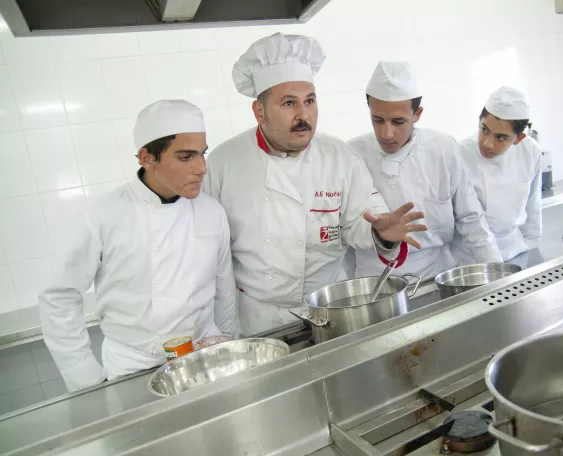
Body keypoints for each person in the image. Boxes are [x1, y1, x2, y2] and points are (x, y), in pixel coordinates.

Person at [204, 33, 427, 336]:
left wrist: (381, 232)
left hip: (333, 310)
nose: (303, 115)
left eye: (310, 101)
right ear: (259, 111)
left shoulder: (339, 157)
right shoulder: (223, 164)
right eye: (289, 103)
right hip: (258, 321)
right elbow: (210, 255)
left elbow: (363, 218)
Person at [39, 100, 239, 392]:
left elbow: (224, 288)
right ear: (147, 158)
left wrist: (228, 346)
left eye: (202, 154)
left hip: (204, 356)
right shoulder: (103, 216)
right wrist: (86, 381)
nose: (202, 168)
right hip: (133, 368)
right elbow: (59, 297)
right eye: (186, 157)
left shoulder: (211, 212)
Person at [346, 62, 501, 279]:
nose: (387, 133)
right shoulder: (351, 156)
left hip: (437, 276)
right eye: (377, 120)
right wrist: (377, 233)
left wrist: (497, 271)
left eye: (398, 121)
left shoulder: (443, 149)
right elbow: (344, 231)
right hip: (375, 283)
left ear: (417, 114)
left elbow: (471, 218)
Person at [460, 87, 542, 262]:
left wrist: (532, 243)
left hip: (515, 249)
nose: (488, 143)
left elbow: (533, 202)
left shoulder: (530, 151)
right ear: (479, 121)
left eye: (501, 137)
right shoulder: (461, 154)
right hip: (471, 258)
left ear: (518, 139)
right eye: (485, 129)